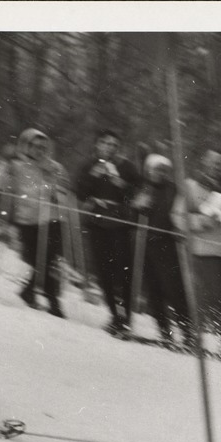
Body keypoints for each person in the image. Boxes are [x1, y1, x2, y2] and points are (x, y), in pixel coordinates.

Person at [0, 128, 70, 318]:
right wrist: (2, 161)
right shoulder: (17, 165)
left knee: (50, 260)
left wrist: (55, 184)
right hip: (26, 219)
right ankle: (33, 293)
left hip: (49, 219)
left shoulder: (53, 167)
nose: (39, 150)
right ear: (26, 145)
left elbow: (63, 190)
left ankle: (52, 300)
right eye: (34, 146)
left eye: (43, 147)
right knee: (37, 260)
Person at [175, 150, 221, 354]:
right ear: (204, 161)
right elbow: (177, 216)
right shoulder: (191, 185)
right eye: (213, 162)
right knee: (216, 298)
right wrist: (199, 221)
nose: (216, 167)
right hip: (206, 251)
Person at [76, 128, 140, 336]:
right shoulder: (89, 165)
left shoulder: (127, 167)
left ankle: (127, 317)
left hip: (120, 224)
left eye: (114, 145)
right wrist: (93, 176)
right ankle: (115, 315)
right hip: (97, 223)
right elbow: (79, 191)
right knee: (104, 271)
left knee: (124, 271)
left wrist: (120, 183)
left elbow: (139, 192)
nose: (109, 148)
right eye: (105, 143)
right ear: (97, 145)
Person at [130, 154, 194, 348]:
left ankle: (188, 333)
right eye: (156, 169)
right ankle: (165, 331)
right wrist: (137, 206)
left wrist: (179, 228)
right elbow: (132, 216)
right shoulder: (143, 187)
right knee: (154, 290)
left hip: (167, 245)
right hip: (146, 244)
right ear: (149, 170)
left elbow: (180, 214)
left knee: (174, 290)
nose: (160, 173)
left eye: (164, 170)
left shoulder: (172, 189)